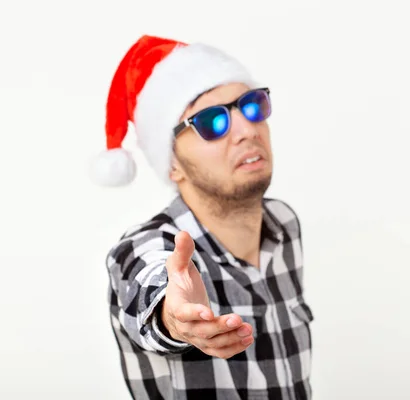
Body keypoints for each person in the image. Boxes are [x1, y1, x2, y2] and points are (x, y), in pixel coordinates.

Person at [90, 34, 314, 399]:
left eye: (252, 105)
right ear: (173, 164)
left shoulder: (284, 225)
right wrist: (175, 318)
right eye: (212, 122)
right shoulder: (142, 248)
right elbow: (152, 288)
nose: (246, 129)